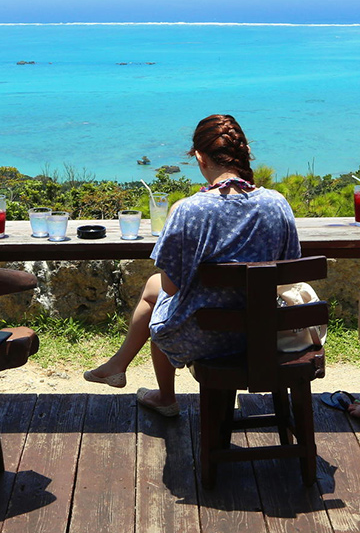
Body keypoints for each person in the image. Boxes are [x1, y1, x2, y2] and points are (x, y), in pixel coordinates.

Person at [83, 114, 300, 416]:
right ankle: (125, 371)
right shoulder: (277, 203)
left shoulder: (188, 210)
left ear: (199, 158)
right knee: (154, 290)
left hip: (207, 336)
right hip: (266, 333)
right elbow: (287, 277)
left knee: (160, 298)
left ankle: (160, 393)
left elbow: (171, 287)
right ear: (244, 154)